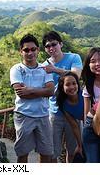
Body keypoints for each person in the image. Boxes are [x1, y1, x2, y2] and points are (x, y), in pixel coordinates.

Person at [10, 34, 54, 163]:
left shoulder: (45, 69)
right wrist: (42, 91)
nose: (30, 53)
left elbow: (51, 91)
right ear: (21, 52)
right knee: (22, 153)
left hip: (43, 115)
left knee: (46, 153)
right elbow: (21, 93)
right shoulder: (16, 69)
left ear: (38, 50)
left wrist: (30, 90)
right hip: (24, 115)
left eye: (33, 49)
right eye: (26, 50)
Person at [42, 31, 83, 163]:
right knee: (53, 152)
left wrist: (54, 69)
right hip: (55, 113)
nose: (51, 48)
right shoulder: (44, 66)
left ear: (61, 44)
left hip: (74, 111)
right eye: (48, 46)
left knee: (73, 150)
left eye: (54, 44)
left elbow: (76, 76)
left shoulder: (74, 58)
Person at [55, 71, 85, 162]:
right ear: (62, 87)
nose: (72, 87)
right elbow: (74, 126)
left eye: (74, 83)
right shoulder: (64, 104)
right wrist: (79, 146)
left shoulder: (84, 94)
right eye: (67, 84)